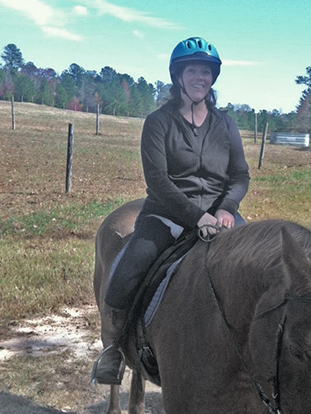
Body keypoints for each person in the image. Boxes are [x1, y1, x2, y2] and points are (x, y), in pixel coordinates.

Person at [92, 37, 250, 384]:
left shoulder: (225, 125)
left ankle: (254, 350)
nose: (201, 77)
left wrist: (225, 208)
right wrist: (198, 217)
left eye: (206, 71)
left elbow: (240, 175)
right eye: (193, 70)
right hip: (166, 215)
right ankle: (114, 348)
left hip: (221, 215)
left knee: (257, 270)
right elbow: (159, 181)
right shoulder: (158, 122)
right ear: (178, 75)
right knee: (124, 275)